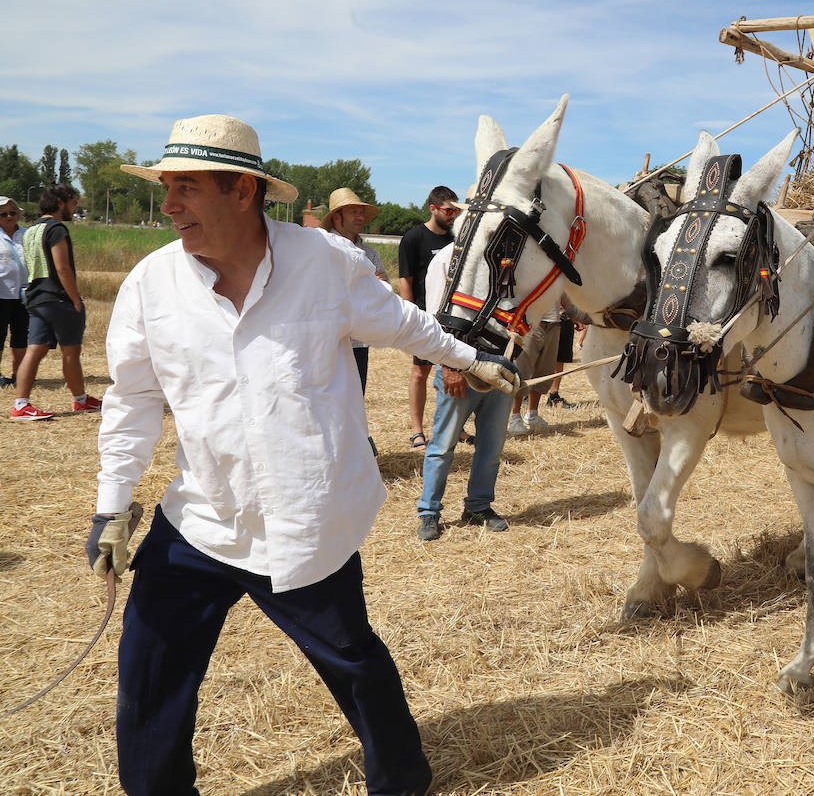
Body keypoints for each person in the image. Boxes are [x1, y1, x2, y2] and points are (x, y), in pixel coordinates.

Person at [84, 114, 519, 796]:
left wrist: (472, 359)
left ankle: (402, 778)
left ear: (244, 193)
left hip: (303, 518)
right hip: (202, 516)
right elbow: (133, 400)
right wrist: (112, 507)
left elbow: (403, 323)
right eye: (166, 187)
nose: (168, 205)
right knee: (148, 668)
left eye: (186, 188)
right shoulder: (150, 286)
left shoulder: (326, 263)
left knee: (353, 660)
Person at [415, 237, 522, 539]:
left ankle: (478, 506)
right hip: (459, 368)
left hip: (498, 366)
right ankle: (429, 512)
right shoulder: (448, 258)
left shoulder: (507, 260)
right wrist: (448, 367)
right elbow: (434, 320)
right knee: (443, 445)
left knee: (490, 447)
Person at [12, 183, 99, 420]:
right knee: (70, 352)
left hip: (36, 297)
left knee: (34, 350)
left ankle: (20, 404)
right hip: (58, 300)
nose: (74, 209)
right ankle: (80, 400)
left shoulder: (30, 231)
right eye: (73, 204)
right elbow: (62, 268)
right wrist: (75, 299)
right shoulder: (57, 229)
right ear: (61, 203)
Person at [397, 186, 458, 449]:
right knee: (421, 372)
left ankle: (457, 428)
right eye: (448, 210)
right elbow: (405, 280)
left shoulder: (458, 238)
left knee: (455, 372)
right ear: (433, 208)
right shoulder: (414, 238)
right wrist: (411, 317)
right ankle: (417, 431)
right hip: (425, 317)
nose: (453, 215)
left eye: (456, 210)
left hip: (455, 319)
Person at [319, 186, 388, 392]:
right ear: (336, 217)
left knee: (355, 403)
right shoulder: (321, 247)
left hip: (358, 343)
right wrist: (368, 285)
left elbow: (384, 291)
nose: (360, 217)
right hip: (327, 342)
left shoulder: (369, 252)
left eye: (361, 212)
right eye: (353, 212)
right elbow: (324, 292)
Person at [508, 306, 563, 435]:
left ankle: (532, 414)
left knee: (545, 370)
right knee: (521, 371)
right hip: (530, 324)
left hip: (554, 325)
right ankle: (515, 417)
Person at [0, 197, 27, 388]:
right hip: (1, 294)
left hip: (24, 294)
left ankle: (19, 374)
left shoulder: (27, 235)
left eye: (13, 213)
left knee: (20, 337)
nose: (9, 216)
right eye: (4, 214)